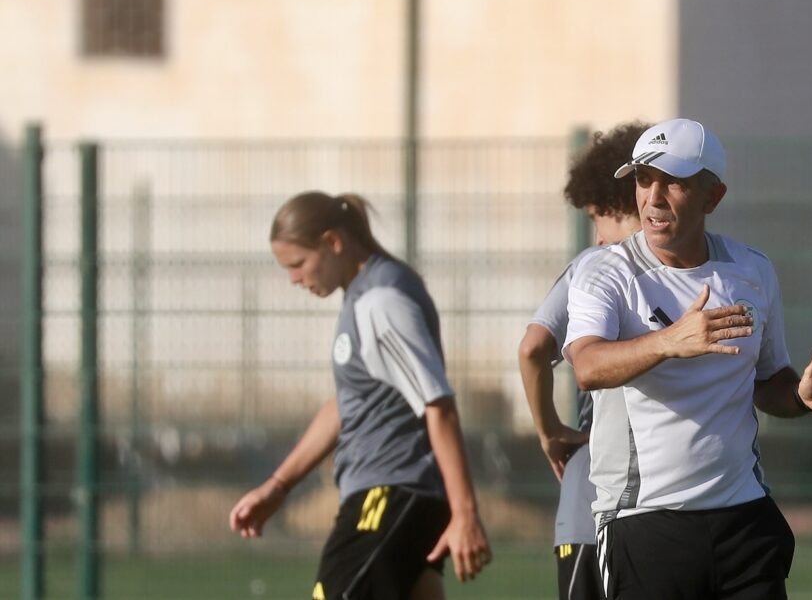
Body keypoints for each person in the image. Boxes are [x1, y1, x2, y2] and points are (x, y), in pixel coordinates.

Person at [564, 118, 812, 599]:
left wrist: (801, 396)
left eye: (673, 182)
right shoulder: (605, 271)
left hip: (744, 519)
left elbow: (769, 381)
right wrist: (668, 341)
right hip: (645, 521)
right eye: (643, 179)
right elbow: (587, 368)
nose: (653, 197)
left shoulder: (750, 269)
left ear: (712, 197)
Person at [228, 192, 491, 600]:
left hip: (392, 493)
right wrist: (278, 486)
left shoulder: (382, 300)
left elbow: (438, 405)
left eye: (298, 264)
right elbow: (347, 405)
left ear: (333, 242)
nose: (294, 279)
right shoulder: (362, 296)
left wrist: (465, 513)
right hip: (393, 494)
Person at [518, 122, 647, 600]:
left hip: (595, 498)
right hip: (687, 510)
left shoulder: (591, 269)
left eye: (597, 216)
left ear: (619, 205)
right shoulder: (706, 265)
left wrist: (549, 429)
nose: (595, 234)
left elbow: (532, 348)